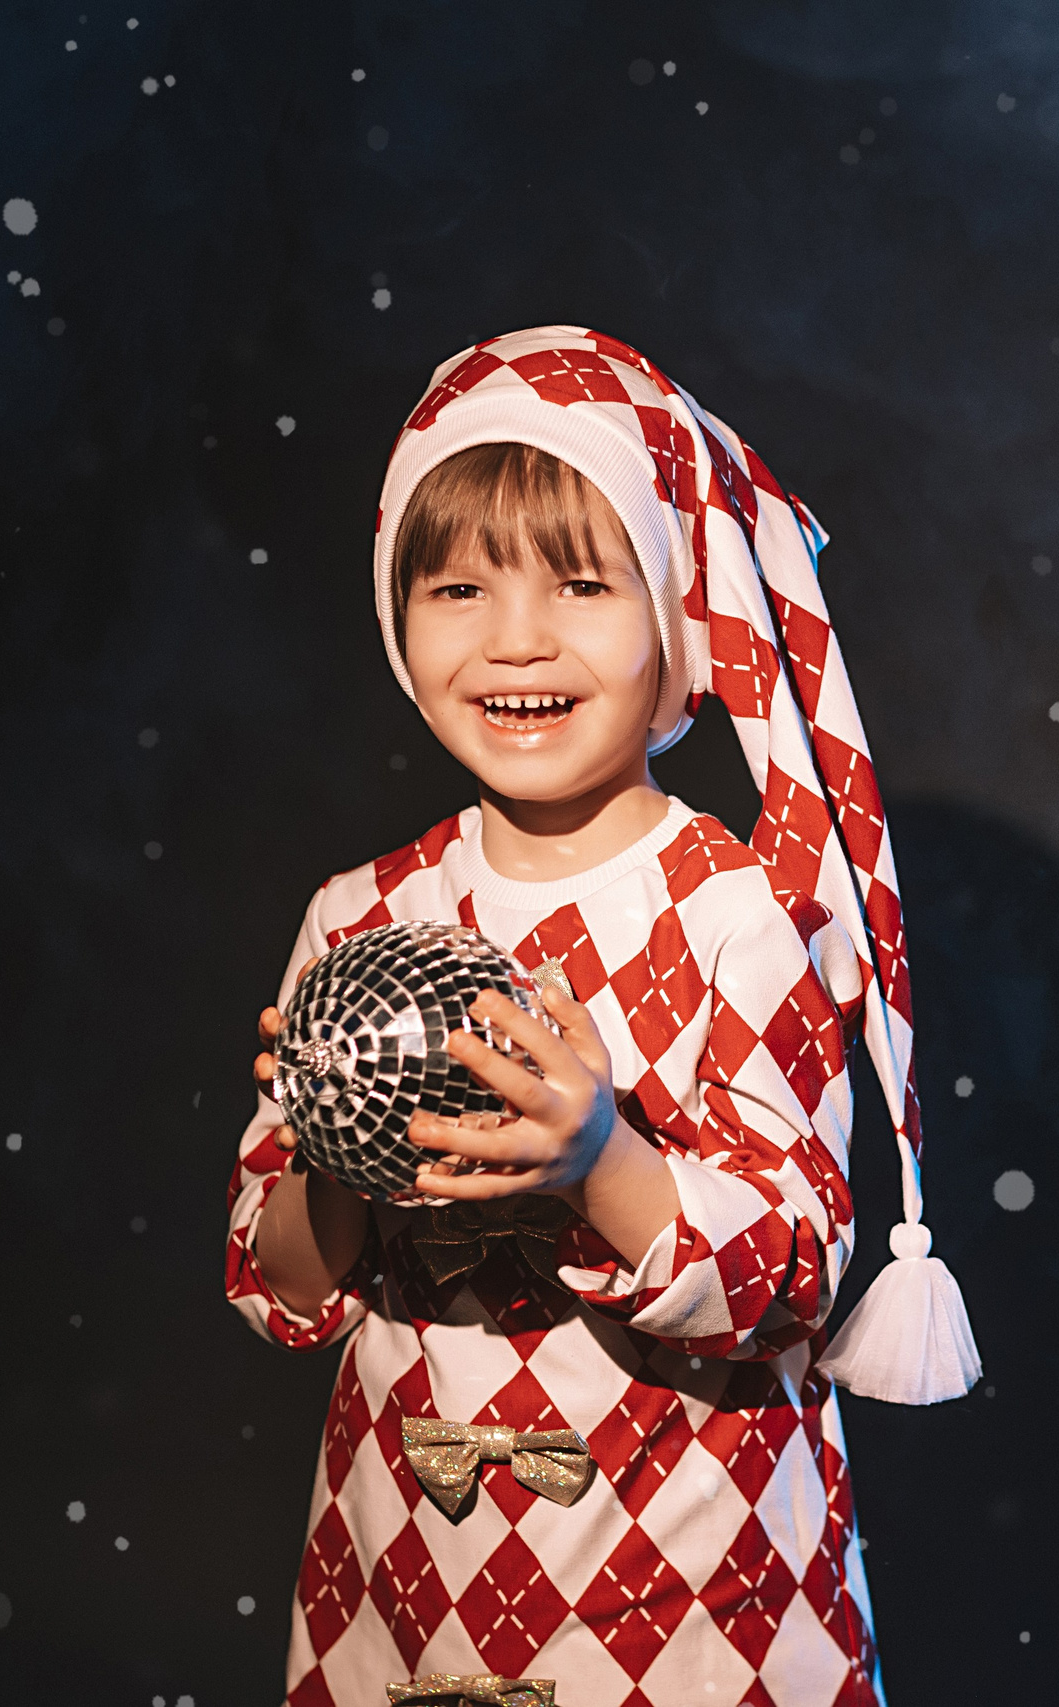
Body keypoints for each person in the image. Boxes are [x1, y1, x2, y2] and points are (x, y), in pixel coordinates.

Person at [225, 327, 978, 1707]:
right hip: (408, 1586)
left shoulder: (736, 914)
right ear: (398, 619)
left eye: (582, 583)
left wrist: (597, 1160)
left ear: (680, 613)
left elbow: (794, 1270)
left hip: (697, 1579)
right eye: (457, 589)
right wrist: (330, 1156)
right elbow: (280, 1282)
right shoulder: (358, 915)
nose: (517, 640)